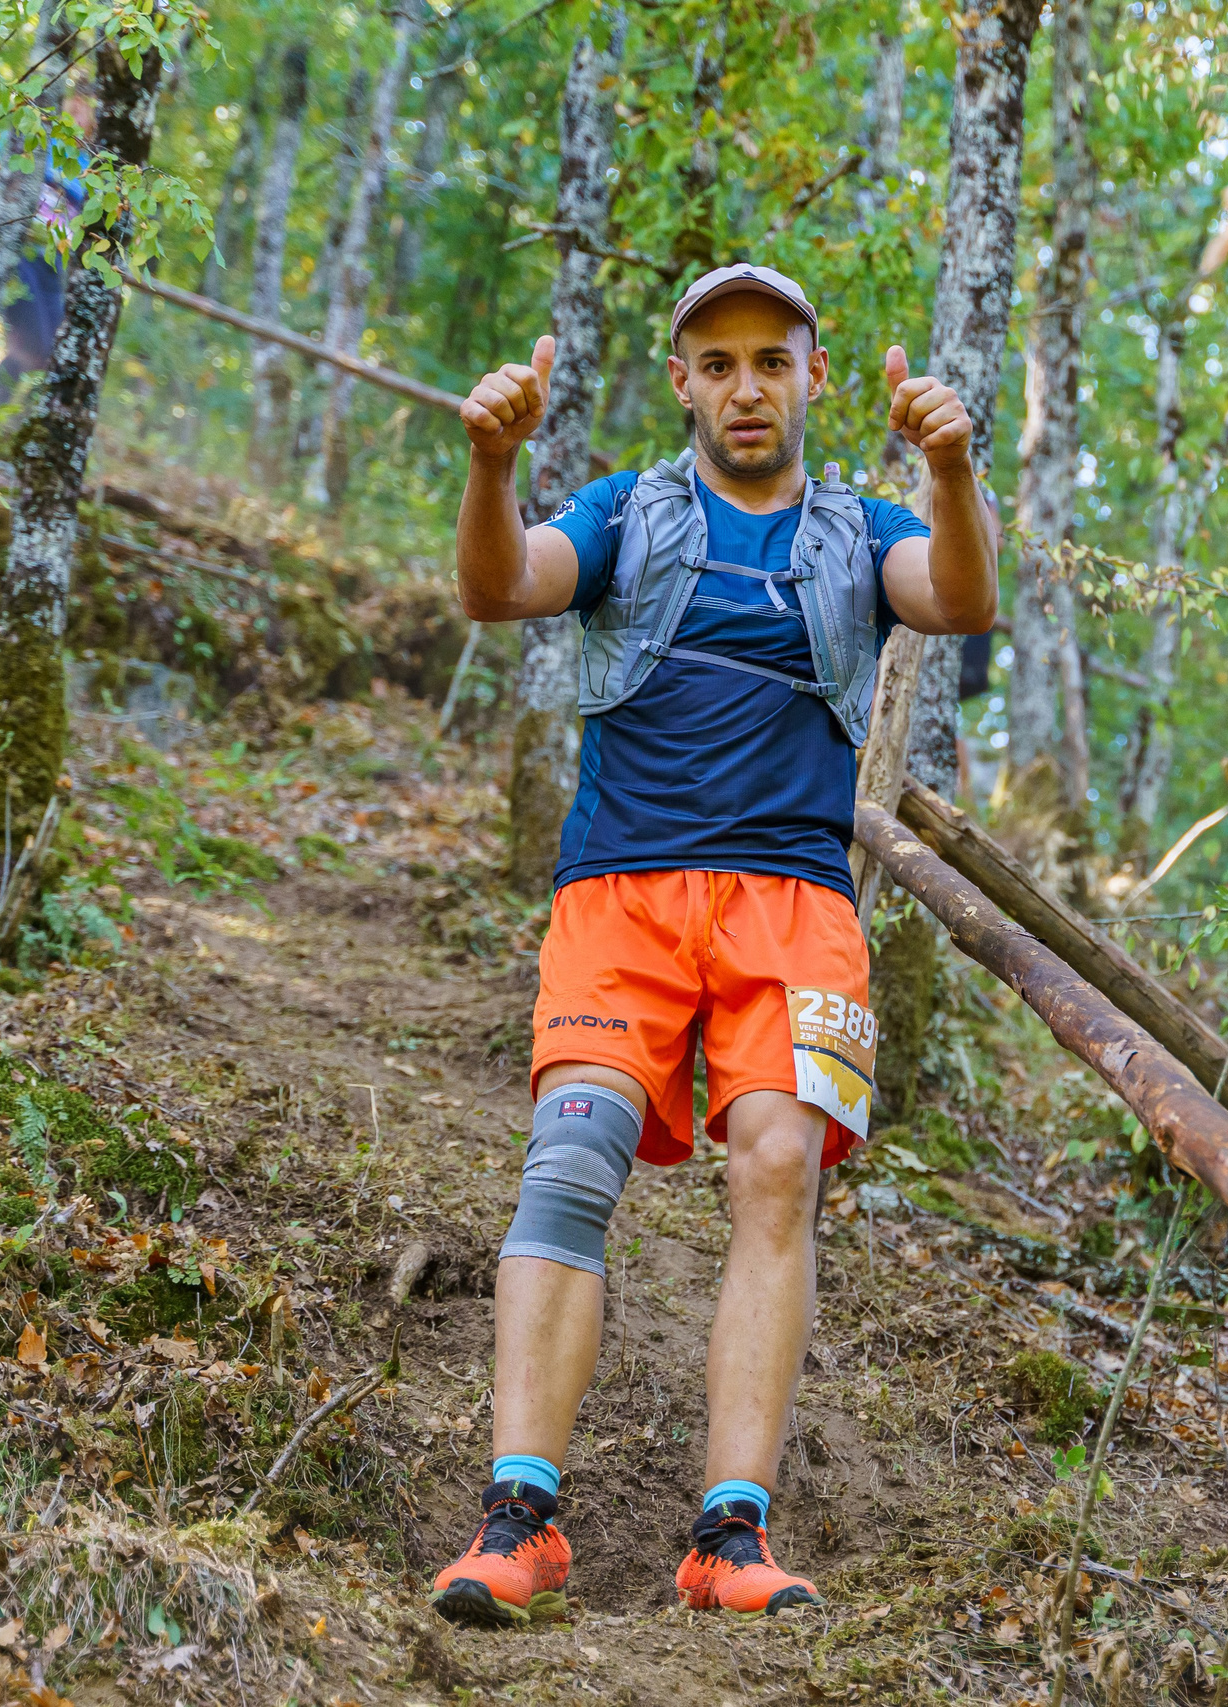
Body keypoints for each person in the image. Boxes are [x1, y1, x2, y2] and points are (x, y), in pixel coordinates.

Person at [435, 262, 996, 1625]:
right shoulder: (621, 511)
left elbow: (958, 600)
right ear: (681, 381)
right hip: (618, 895)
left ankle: (730, 1534)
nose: (748, 387)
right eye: (720, 362)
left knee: (778, 1167)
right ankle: (519, 1521)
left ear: (814, 377)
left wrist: (953, 472)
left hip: (796, 907)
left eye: (772, 361)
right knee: (571, 1157)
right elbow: (503, 587)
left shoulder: (863, 530)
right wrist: (493, 463)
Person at [0, 86, 95, 378]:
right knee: (32, 341)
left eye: (86, 110)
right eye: (73, 107)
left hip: (55, 264)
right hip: (17, 249)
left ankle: (1, 399)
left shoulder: (93, 169)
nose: (78, 115)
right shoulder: (28, 140)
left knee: (51, 350)